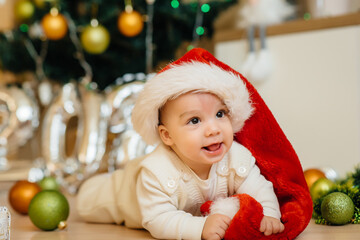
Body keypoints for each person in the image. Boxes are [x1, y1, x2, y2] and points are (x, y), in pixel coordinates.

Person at [76, 48, 286, 240]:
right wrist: (200, 227)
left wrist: (269, 214)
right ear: (167, 136)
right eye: (194, 120)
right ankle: (88, 190)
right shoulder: (157, 172)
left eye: (220, 114)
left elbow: (261, 189)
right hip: (121, 194)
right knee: (88, 202)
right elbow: (158, 220)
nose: (213, 129)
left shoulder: (237, 157)